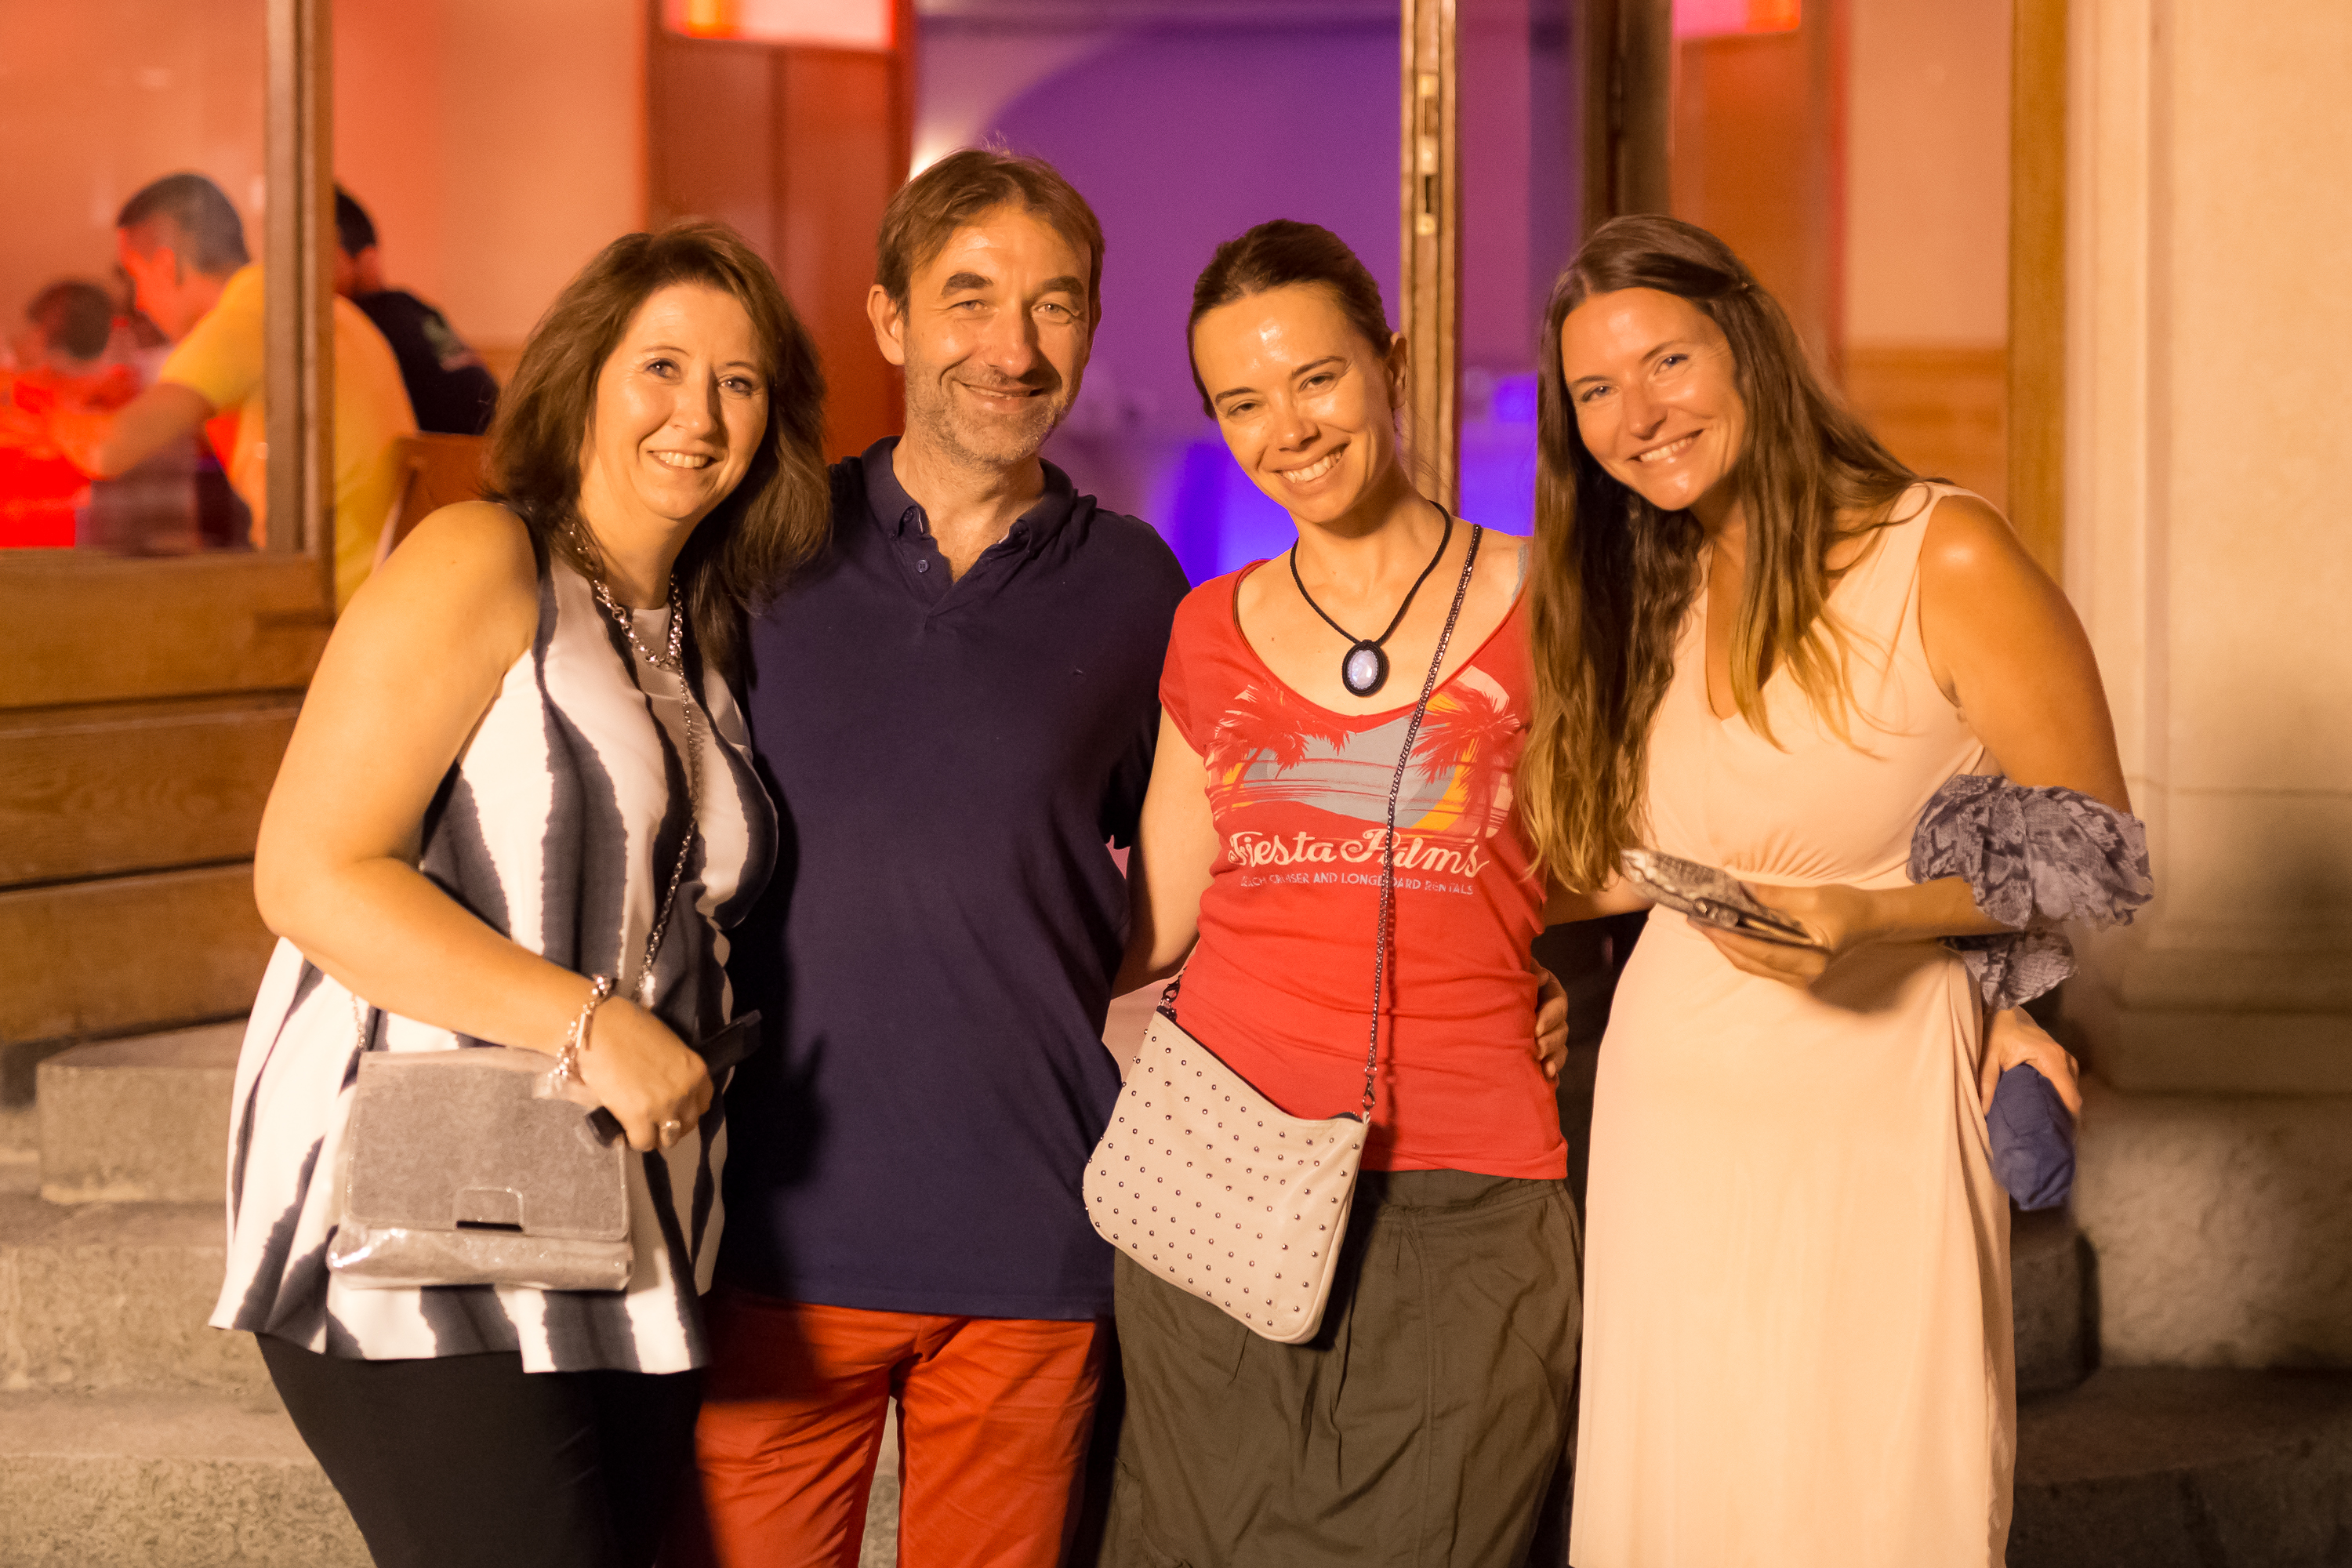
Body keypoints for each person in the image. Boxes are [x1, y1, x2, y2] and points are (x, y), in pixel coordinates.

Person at [207, 220, 829, 1568]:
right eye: (661, 366)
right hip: (424, 1226)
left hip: (625, 1227)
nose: (699, 413)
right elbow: (309, 871)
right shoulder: (482, 558)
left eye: (739, 381)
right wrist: (589, 1024)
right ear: (584, 376)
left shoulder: (705, 638)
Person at [1524, 215, 2119, 1567]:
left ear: (1748, 342)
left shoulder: (1939, 551)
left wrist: (1876, 915)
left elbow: (2092, 845)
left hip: (1874, 1097)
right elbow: (1620, 863)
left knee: (1870, 1493)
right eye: (1596, 390)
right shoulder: (1650, 580)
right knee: (1682, 1499)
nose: (1637, 416)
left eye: (1667, 361)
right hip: (1671, 1113)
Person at [663, 147, 1188, 1568]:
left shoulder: (1140, 587)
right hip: (775, 1237)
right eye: (970, 299)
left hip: (1033, 1238)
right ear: (890, 319)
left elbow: (1206, 877)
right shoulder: (762, 545)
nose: (1014, 349)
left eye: (1055, 305)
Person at [1105, 220, 1581, 1568]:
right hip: (1221, 1172)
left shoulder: (1551, 598)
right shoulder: (1209, 627)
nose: (1289, 430)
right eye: (1242, 402)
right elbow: (1159, 919)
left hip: (1467, 1181)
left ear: (1390, 364)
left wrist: (1554, 970)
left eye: (1316, 378)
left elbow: (1634, 849)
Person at [42, 172, 416, 607]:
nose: (139, 301)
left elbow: (107, 451)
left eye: (135, 277)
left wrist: (48, 418)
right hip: (386, 590)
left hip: (329, 605)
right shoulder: (317, 306)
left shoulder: (241, 322)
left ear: (167, 265)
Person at [336, 187, 501, 436]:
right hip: (496, 449)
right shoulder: (416, 310)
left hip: (446, 458)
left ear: (368, 261)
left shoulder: (363, 322)